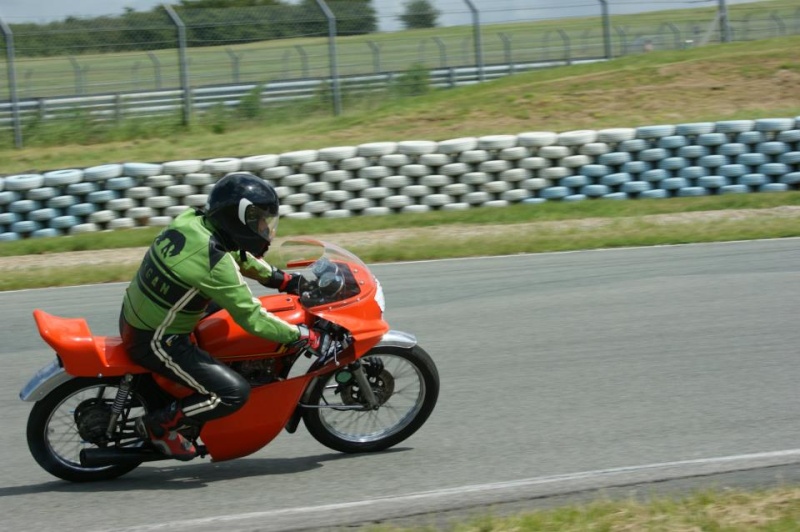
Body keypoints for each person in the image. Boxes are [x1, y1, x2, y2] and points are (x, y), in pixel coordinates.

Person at [119, 171, 326, 460]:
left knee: (230, 323)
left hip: (142, 313)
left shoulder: (193, 221)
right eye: (258, 221)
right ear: (237, 219)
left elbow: (235, 253)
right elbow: (251, 318)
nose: (264, 227)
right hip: (155, 339)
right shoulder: (214, 263)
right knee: (232, 392)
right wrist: (302, 335)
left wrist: (283, 280)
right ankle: (159, 426)